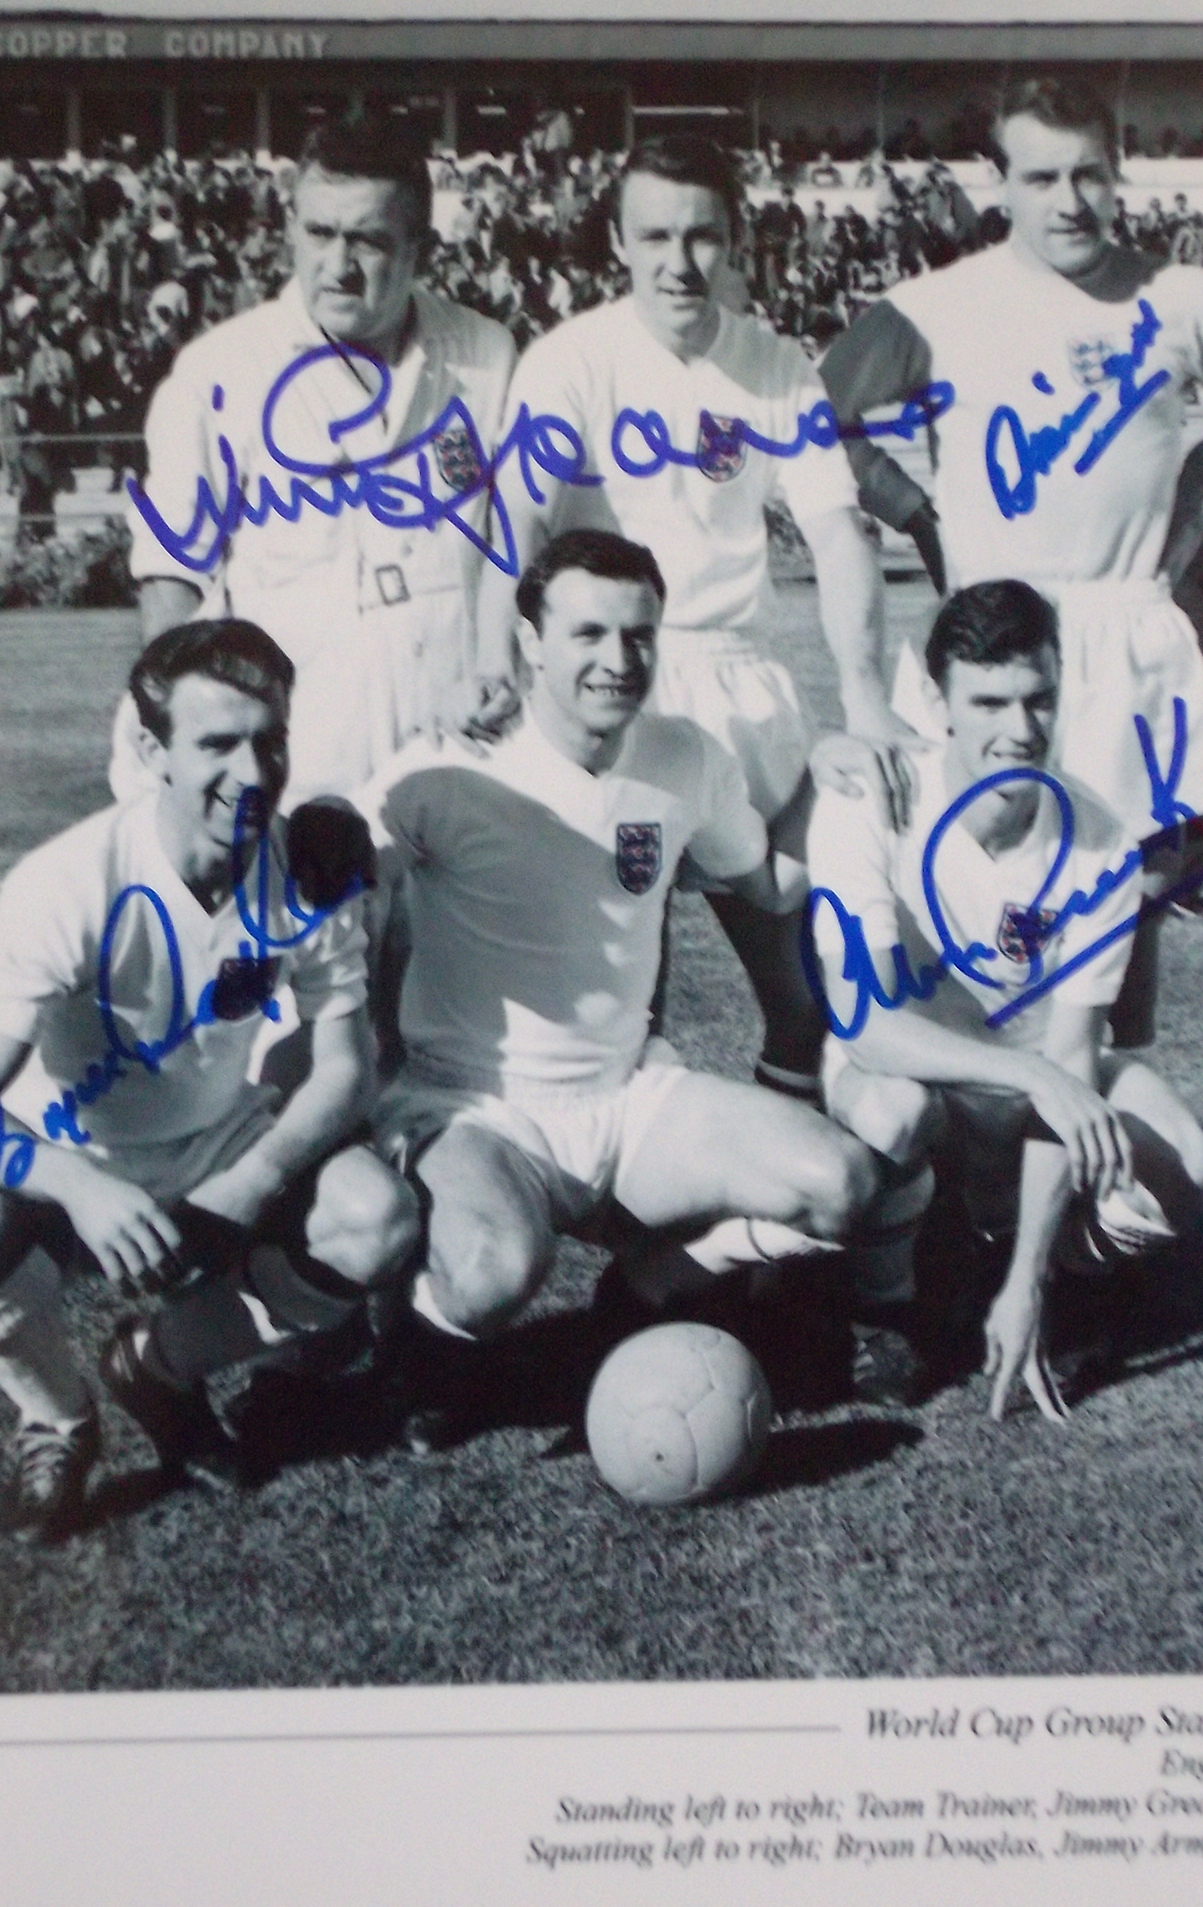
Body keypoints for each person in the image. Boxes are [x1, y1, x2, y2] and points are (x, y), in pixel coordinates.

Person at [360, 529, 910, 1449]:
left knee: (840, 1184)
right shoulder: (443, 767)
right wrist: (370, 1064)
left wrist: (822, 775)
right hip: (475, 1105)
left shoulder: (683, 756)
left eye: (639, 636)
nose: (619, 661)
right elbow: (345, 882)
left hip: (628, 1097)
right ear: (531, 640)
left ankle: (656, 1281)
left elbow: (768, 881)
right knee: (495, 1272)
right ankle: (423, 1344)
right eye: (588, 635)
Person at [820, 77, 1203, 1042]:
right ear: (999, 182)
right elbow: (812, 423)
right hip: (989, 640)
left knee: (1119, 899)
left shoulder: (1182, 299)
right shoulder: (935, 306)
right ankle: (966, 1153)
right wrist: (918, 515)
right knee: (963, 895)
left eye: (1090, 175)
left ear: (1117, 172)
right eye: (1043, 177)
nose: (1070, 202)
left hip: (1125, 628)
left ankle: (1099, 1166)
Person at [0, 621, 419, 1544]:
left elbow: (347, 1069)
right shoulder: (67, 882)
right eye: (216, 744)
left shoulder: (304, 864)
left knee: (376, 1218)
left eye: (270, 740)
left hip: (216, 1134)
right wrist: (80, 1190)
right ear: (151, 750)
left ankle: (161, 1365)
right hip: (72, 1148)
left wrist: (248, 1183)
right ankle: (57, 1417)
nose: (253, 773)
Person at [479, 133, 917, 1102]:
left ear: (737, 239)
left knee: (804, 1000)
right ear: (617, 240)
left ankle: (769, 1223)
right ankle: (648, 1243)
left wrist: (863, 698)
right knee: (629, 1009)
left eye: (702, 236)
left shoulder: (772, 365)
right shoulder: (570, 360)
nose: (679, 263)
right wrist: (495, 660)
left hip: (736, 680)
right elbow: (513, 515)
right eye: (655, 236)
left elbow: (841, 532)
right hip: (609, 687)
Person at [806, 580, 1203, 1417]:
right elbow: (870, 1025)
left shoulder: (1098, 838)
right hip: (912, 1073)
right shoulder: (872, 802)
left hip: (1032, 1088)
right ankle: (887, 1309)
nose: (1020, 730)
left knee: (1184, 1170)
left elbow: (1069, 1057)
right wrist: (1033, 1078)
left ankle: (1046, 1274)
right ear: (937, 701)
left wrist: (1027, 1280)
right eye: (989, 702)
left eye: (1039, 699)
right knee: (893, 1111)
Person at [114, 117, 519, 809]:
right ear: (289, 229)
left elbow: (518, 540)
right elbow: (171, 575)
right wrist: (194, 736)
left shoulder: (487, 357)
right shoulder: (223, 370)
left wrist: (498, 665)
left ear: (420, 247)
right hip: (295, 773)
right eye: (319, 233)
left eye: (367, 239)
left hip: (459, 764)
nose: (338, 264)